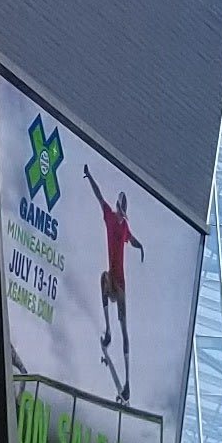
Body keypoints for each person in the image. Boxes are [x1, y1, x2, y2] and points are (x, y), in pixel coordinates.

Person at [83, 164, 143, 391]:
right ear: (117, 208)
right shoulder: (110, 216)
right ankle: (108, 331)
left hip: (121, 286)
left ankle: (127, 381)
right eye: (120, 211)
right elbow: (99, 196)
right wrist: (90, 176)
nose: (120, 215)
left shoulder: (124, 226)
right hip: (112, 281)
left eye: (122, 213)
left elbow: (133, 239)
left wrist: (141, 247)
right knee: (102, 278)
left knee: (125, 330)